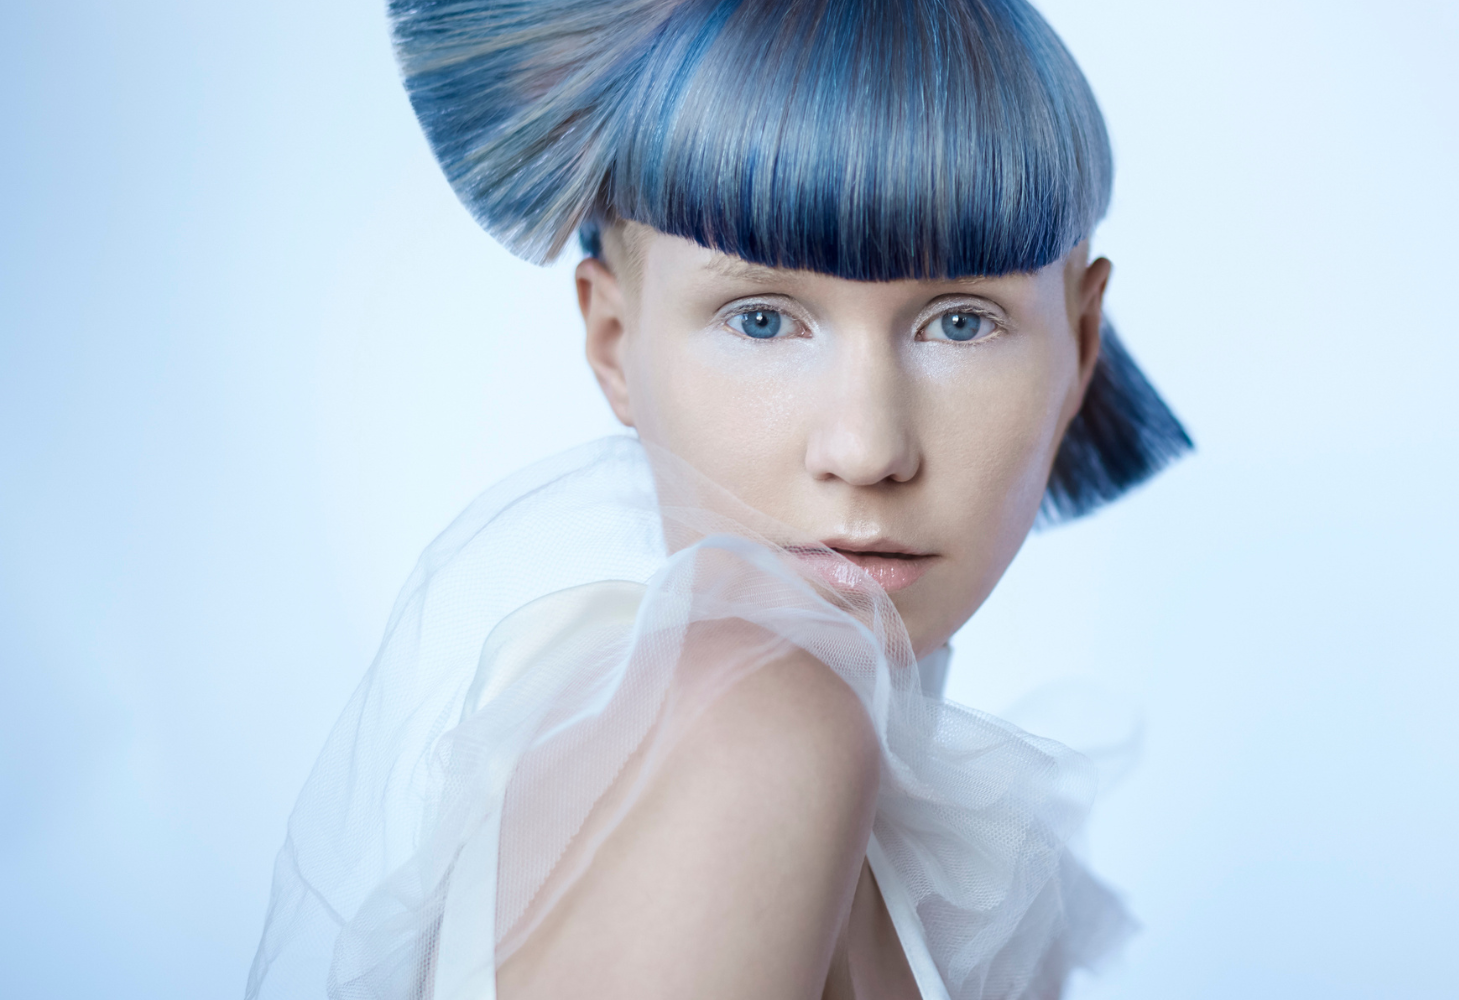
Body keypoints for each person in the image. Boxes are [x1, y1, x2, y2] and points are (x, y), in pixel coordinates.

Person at [247, 1, 1190, 997]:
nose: (866, 449)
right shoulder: (757, 729)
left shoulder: (783, 767)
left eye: (959, 322)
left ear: (1080, 346)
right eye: (762, 319)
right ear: (614, 341)